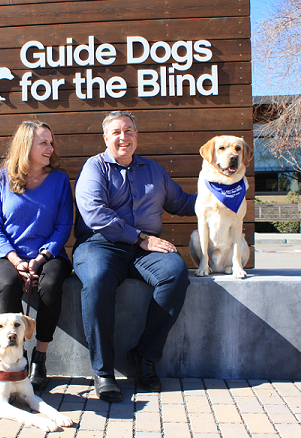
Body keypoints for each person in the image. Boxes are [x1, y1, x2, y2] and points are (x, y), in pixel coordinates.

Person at [72, 111, 196, 402]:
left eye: (128, 131)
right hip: (100, 244)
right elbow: (95, 213)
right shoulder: (94, 167)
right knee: (98, 280)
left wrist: (218, 193)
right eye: (116, 132)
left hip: (144, 250)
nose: (123, 137)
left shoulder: (154, 171)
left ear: (137, 136)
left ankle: (145, 356)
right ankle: (103, 371)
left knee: (175, 274)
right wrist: (140, 238)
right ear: (106, 138)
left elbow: (181, 203)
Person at [0, 121, 73, 389]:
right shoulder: (1, 178)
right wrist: (16, 260)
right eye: (43, 142)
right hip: (5, 254)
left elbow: (63, 226)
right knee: (10, 284)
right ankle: (16, 358)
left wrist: (39, 259)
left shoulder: (59, 180)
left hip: (49, 254)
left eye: (51, 142)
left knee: (50, 284)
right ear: (26, 146)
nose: (50, 147)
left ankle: (40, 357)